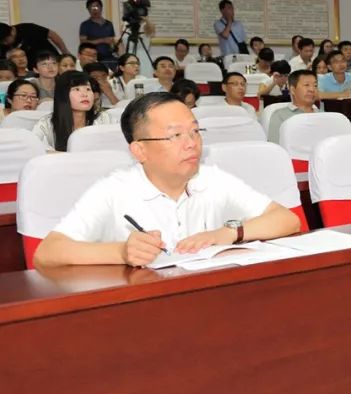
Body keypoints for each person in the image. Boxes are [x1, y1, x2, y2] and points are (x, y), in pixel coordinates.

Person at [32, 92, 300, 267]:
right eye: (175, 136)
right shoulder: (114, 189)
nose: (191, 143)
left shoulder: (212, 178)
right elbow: (47, 253)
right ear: (140, 150)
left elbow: (287, 220)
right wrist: (121, 253)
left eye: (195, 131)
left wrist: (228, 233)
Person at [32, 71, 115, 151]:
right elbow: (36, 149)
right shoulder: (46, 124)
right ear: (63, 95)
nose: (85, 94)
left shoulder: (105, 119)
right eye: (77, 89)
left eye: (88, 89)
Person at [267, 69, 318, 144]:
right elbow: (275, 146)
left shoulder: (323, 114)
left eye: (315, 86)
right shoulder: (279, 116)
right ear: (293, 90)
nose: (312, 89)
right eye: (307, 85)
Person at [0, 22, 70, 60]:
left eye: (5, 40)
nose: (4, 43)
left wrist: (65, 51)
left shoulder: (29, 28)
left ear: (12, 32)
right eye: (2, 42)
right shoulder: (2, 44)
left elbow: (52, 34)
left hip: (49, 58)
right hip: (31, 69)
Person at [78, 0, 116, 64]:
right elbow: (83, 42)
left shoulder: (109, 24)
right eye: (91, 7)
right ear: (88, 10)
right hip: (92, 58)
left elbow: (112, 40)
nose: (94, 10)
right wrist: (101, 40)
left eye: (97, 7)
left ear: (101, 8)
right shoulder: (85, 25)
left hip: (109, 57)